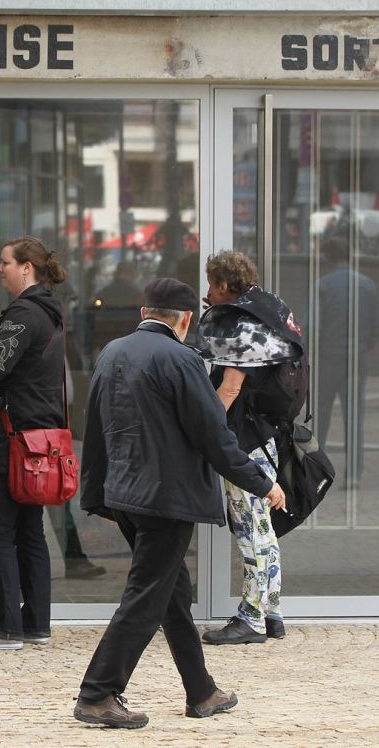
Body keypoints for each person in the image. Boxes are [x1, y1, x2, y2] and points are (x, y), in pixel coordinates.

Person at [73, 278, 286, 729]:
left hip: (126, 495)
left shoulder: (111, 353)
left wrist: (98, 495)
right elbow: (216, 438)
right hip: (166, 499)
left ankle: (201, 691)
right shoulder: (183, 359)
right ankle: (97, 693)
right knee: (147, 597)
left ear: (143, 311)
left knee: (172, 595)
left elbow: (94, 430)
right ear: (185, 319)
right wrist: (262, 482)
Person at [0, 235, 69, 652]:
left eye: (5, 262)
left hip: (10, 442)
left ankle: (6, 628)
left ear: (27, 267)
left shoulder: (22, 313)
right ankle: (36, 622)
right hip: (39, 441)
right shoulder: (52, 313)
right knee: (30, 534)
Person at [198, 250, 303, 645]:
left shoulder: (243, 326)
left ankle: (252, 618)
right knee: (264, 528)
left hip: (243, 438)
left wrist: (206, 430)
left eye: (211, 284)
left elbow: (230, 387)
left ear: (225, 285)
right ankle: (271, 612)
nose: (208, 292)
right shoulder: (271, 310)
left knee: (251, 528)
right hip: (267, 434)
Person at [315, 226, 379, 486]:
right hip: (356, 358)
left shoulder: (322, 286)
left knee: (320, 416)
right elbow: (378, 328)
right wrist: (361, 348)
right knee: (354, 417)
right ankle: (354, 474)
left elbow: (312, 327)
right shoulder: (367, 285)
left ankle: (317, 473)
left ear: (327, 258)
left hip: (328, 358)